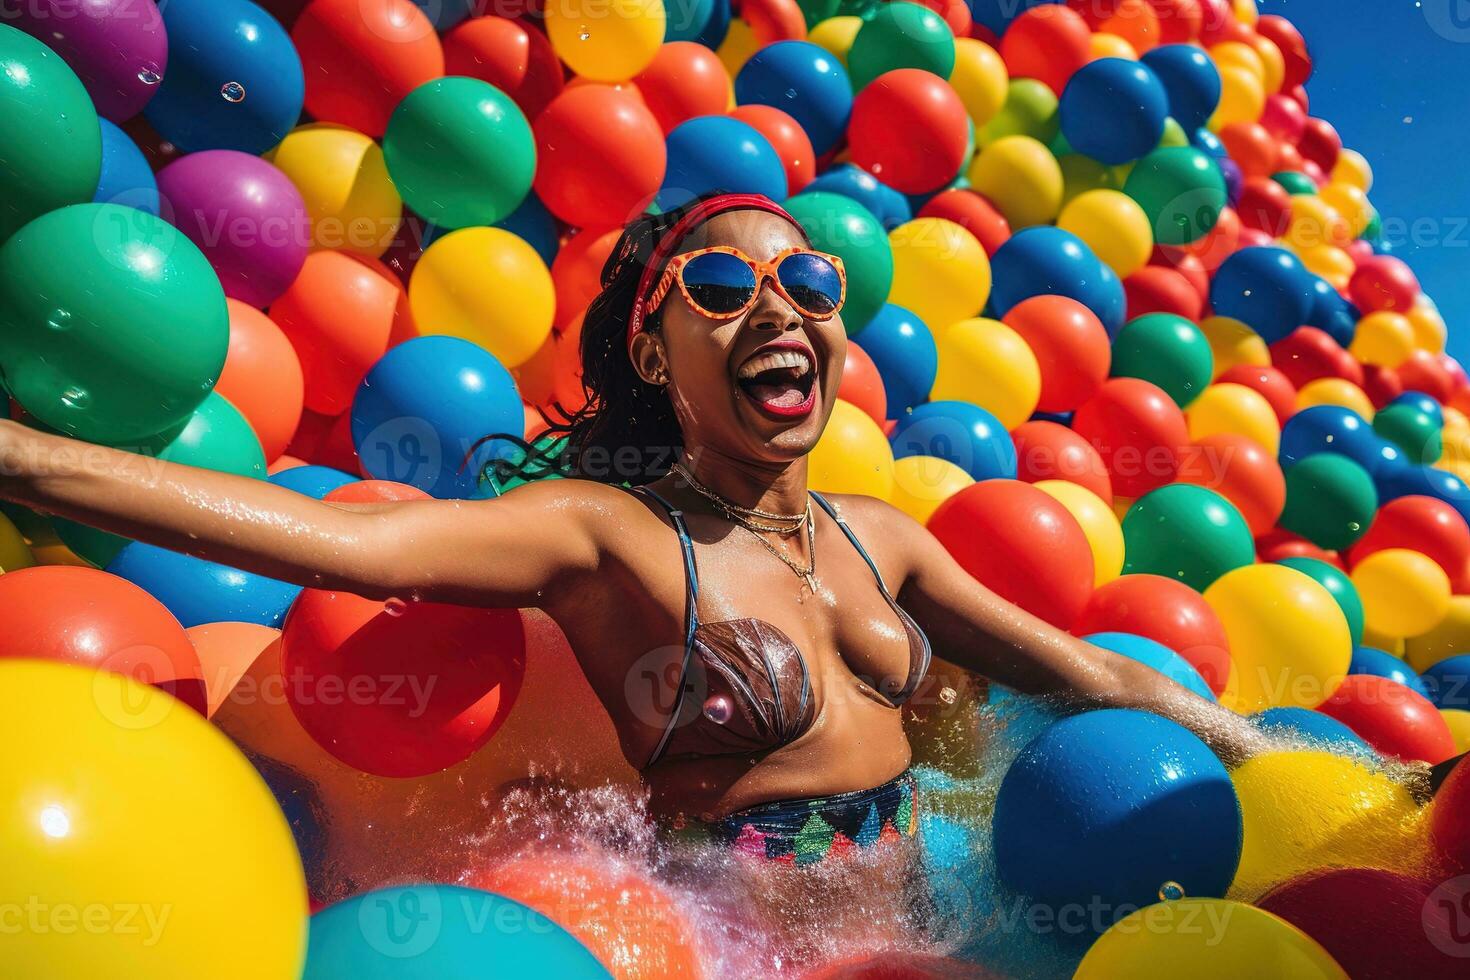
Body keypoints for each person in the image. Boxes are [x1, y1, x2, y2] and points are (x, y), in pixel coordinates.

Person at [0, 192, 1268, 866]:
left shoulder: (889, 536)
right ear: (658, 353)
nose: (776, 304)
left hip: (932, 925)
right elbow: (339, 543)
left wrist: (1271, 761)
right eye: (721, 288)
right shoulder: (606, 534)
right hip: (732, 940)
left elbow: (1083, 669)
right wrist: (28, 459)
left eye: (807, 283)